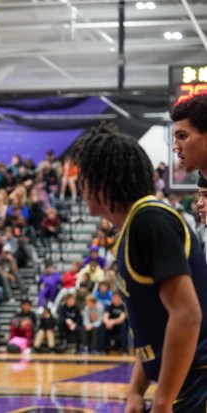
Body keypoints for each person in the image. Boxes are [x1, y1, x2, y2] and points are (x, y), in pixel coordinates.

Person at [74, 123, 207, 412]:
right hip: (181, 382)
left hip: (197, 383)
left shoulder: (150, 220)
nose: (78, 185)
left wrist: (162, 401)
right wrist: (136, 388)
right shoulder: (132, 227)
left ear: (100, 182)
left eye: (82, 176)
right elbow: (153, 327)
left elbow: (187, 315)